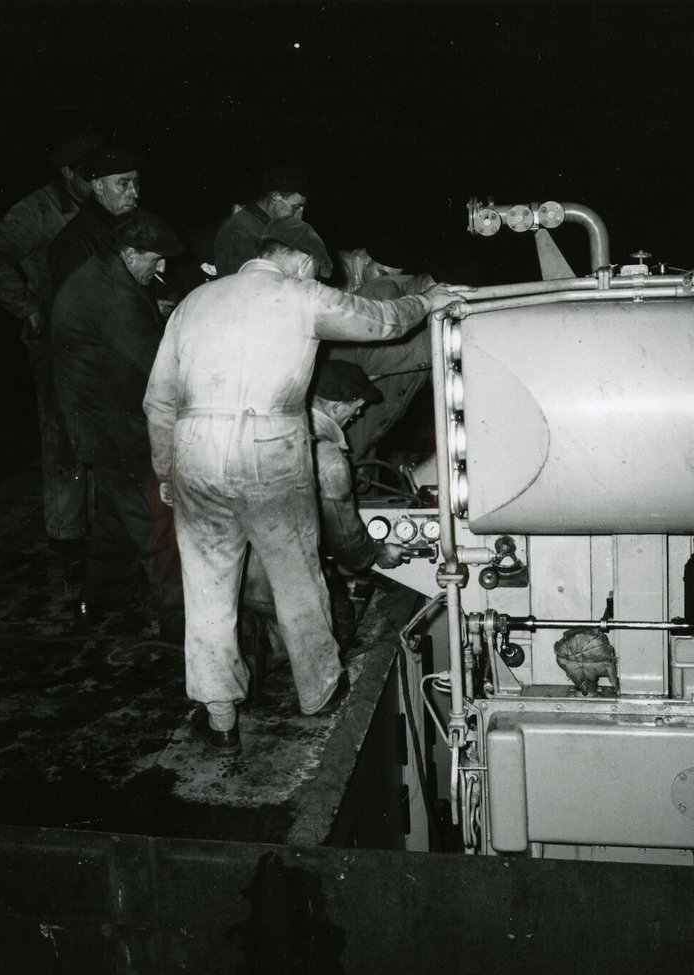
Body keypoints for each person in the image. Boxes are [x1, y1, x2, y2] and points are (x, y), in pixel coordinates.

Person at [143, 216, 466, 755]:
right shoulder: (299, 295)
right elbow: (383, 321)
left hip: (195, 450)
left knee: (207, 587)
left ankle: (220, 717)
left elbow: (158, 401)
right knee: (296, 573)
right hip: (272, 447)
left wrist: (165, 471)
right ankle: (320, 691)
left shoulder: (193, 303)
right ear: (299, 261)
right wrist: (429, 302)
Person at [51, 210, 184, 630]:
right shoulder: (115, 299)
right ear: (129, 253)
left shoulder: (107, 272)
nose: (163, 268)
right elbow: (159, 367)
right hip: (112, 427)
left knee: (114, 519)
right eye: (155, 259)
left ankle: (99, 601)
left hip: (96, 420)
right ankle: (182, 622)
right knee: (156, 523)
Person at [0, 131, 102, 543]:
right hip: (54, 340)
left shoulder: (99, 205)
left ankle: (98, 526)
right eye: (89, 176)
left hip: (97, 337)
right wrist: (27, 307)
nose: (98, 183)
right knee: (63, 437)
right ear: (67, 174)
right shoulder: (35, 211)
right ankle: (66, 534)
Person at [241, 360, 411, 665]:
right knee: (339, 627)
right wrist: (375, 554)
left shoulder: (271, 430)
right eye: (355, 407)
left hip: (241, 571)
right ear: (334, 407)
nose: (358, 414)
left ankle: (259, 644)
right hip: (287, 580)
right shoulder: (327, 455)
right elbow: (345, 538)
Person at [327, 233, 437, 462]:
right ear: (365, 259)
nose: (384, 281)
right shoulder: (337, 277)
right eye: (382, 273)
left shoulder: (384, 286)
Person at [48, 144, 143, 290]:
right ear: (98, 186)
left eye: (136, 183)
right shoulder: (74, 244)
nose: (135, 193)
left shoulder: (135, 223)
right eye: (124, 184)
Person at [211, 167, 312, 277]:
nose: (299, 216)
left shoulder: (270, 228)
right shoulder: (239, 230)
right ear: (275, 198)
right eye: (296, 207)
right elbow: (246, 286)